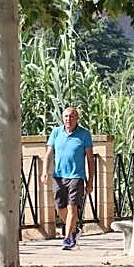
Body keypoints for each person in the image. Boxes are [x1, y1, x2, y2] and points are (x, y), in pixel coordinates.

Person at [45, 106, 94, 250]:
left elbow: (91, 160)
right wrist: (44, 171)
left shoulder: (84, 135)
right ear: (62, 118)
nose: (68, 119)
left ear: (77, 119)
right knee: (60, 208)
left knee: (72, 207)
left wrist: (90, 181)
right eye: (66, 116)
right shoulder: (56, 132)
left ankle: (67, 239)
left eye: (72, 116)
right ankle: (74, 230)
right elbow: (48, 153)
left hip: (76, 176)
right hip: (59, 176)